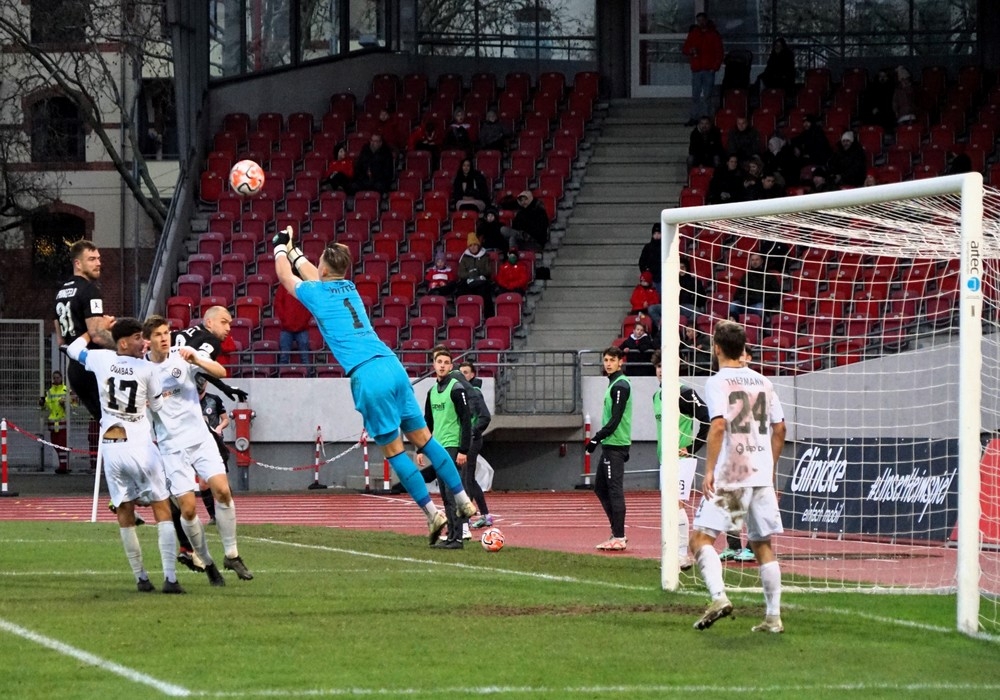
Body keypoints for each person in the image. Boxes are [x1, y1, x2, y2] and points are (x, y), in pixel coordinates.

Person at [271, 227, 477, 543]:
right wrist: (294, 250)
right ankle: (463, 500)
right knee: (424, 439)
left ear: (324, 268)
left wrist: (280, 248)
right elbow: (316, 276)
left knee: (395, 451)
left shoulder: (318, 292)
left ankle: (432, 514)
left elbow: (287, 277)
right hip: (392, 365)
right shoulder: (349, 288)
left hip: (367, 375)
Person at [65, 319, 183, 594]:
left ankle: (141, 578)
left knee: (124, 509)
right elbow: (157, 405)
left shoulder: (100, 358)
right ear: (123, 342)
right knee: (162, 507)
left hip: (112, 447)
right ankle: (170, 578)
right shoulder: (147, 369)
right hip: (139, 445)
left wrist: (92, 330)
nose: (144, 342)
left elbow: (73, 349)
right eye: (138, 338)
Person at [690, 320, 786, 633]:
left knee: (700, 539)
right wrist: (769, 467)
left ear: (717, 347)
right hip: (760, 474)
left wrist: (708, 469)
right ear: (742, 348)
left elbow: (718, 425)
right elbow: (780, 428)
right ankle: (773, 618)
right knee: (761, 544)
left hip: (732, 473)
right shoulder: (763, 382)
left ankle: (718, 597)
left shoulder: (718, 382)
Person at [145, 314, 253, 584]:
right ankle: (207, 561)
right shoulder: (142, 371)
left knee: (223, 491)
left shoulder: (183, 356)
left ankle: (232, 554)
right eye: (158, 334)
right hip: (171, 447)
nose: (164, 338)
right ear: (149, 340)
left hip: (200, 438)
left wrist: (197, 360)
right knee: (189, 510)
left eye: (166, 332)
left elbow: (220, 372)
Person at [54, 239, 115, 472]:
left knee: (106, 422)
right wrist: (124, 345)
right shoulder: (90, 290)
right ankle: (122, 483)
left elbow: (60, 339)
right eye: (92, 259)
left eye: (99, 258)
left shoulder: (60, 292)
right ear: (78, 263)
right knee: (118, 422)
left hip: (75, 368)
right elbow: (98, 335)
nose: (99, 263)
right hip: (93, 366)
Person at [651, 349, 711, 571]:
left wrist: (693, 447)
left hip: (682, 459)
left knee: (677, 505)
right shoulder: (657, 396)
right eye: (658, 367)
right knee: (669, 505)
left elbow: (707, 419)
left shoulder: (684, 393)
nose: (660, 371)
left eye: (664, 367)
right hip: (664, 459)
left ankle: (681, 555)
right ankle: (672, 552)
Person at [419, 347, 474, 549]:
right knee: (444, 494)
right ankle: (451, 535)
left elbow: (466, 420)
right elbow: (428, 423)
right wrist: (420, 449)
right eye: (438, 362)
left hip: (452, 446)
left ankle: (457, 538)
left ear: (451, 366)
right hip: (438, 448)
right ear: (433, 365)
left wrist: (463, 449)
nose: (442, 365)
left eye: (445, 363)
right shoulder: (431, 392)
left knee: (453, 494)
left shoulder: (456, 388)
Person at [585, 346, 633, 550]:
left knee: (614, 490)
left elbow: (615, 419)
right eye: (606, 360)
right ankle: (616, 531)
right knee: (600, 488)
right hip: (609, 445)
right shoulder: (613, 383)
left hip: (615, 444)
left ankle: (619, 536)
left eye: (612, 360)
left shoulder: (621, 385)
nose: (608, 363)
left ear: (620, 361)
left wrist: (595, 439)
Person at [720, 347, 757, 563]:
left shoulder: (759, 384)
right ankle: (733, 546)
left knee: (751, 502)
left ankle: (752, 547)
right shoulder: (727, 385)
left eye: (744, 354)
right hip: (732, 450)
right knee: (731, 500)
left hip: (752, 451)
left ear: (749, 358)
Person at [459, 360, 494, 529]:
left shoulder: (474, 393)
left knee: (466, 479)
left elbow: (484, 417)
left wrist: (472, 431)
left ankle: (465, 520)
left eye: (466, 372)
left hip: (472, 440)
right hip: (468, 439)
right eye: (461, 372)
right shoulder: (463, 392)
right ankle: (486, 515)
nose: (463, 375)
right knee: (470, 479)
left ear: (472, 375)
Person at [197, 374, 230, 523]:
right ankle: (213, 516)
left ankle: (226, 511)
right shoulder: (188, 401)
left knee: (220, 481)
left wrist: (219, 427)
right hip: (197, 444)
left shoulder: (214, 399)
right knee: (203, 483)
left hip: (215, 443)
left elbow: (226, 419)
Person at [682, 12, 724, 126]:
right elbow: (685, 48)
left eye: (702, 20)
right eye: (698, 20)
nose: (701, 22)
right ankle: (695, 117)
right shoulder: (694, 33)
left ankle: (706, 119)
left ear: (706, 20)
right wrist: (691, 51)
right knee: (695, 95)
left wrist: (714, 67)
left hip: (708, 69)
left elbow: (719, 52)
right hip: (697, 69)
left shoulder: (713, 34)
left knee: (707, 96)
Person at [730, 252, 782, 321]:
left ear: (761, 261)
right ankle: (733, 327)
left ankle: (762, 326)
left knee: (759, 307)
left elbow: (776, 294)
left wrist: (760, 298)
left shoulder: (769, 276)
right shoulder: (746, 276)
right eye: (752, 260)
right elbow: (738, 294)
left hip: (760, 304)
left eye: (757, 260)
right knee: (734, 305)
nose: (754, 262)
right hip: (745, 304)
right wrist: (745, 299)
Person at [39, 370, 71, 474]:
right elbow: (46, 407)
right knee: (55, 444)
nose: (56, 379)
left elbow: (73, 405)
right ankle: (63, 465)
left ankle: (63, 466)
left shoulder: (66, 390)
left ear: (62, 378)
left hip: (62, 421)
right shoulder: (50, 392)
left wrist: (65, 404)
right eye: (54, 378)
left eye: (58, 377)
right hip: (53, 423)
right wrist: (42, 403)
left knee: (61, 445)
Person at [274, 283, 312, 366]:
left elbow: (309, 305)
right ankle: (282, 378)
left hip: (302, 328)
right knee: (284, 357)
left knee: (305, 358)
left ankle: (309, 378)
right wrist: (285, 320)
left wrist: (303, 322)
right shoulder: (283, 286)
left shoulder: (305, 287)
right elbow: (278, 303)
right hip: (286, 328)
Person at [457, 232, 494, 317]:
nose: (473, 247)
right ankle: (464, 314)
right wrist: (470, 274)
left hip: (481, 280)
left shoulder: (485, 256)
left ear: (478, 245)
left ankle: (488, 316)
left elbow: (488, 271)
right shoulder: (464, 258)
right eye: (471, 245)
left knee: (484, 290)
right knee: (462, 289)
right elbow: (461, 273)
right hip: (469, 280)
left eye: (475, 245)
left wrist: (478, 272)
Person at [638, 223, 663, 293]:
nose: (657, 235)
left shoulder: (665, 247)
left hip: (663, 278)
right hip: (651, 279)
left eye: (659, 233)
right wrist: (646, 273)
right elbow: (642, 262)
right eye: (655, 233)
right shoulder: (648, 247)